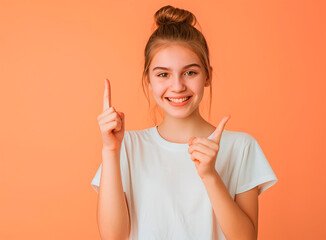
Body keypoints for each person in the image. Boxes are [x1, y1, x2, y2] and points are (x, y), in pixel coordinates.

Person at [91, 5, 278, 240]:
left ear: (207, 76)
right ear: (148, 80)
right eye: (163, 74)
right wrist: (110, 150)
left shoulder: (242, 147)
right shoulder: (127, 146)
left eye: (190, 73)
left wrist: (210, 176)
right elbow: (113, 237)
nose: (177, 86)